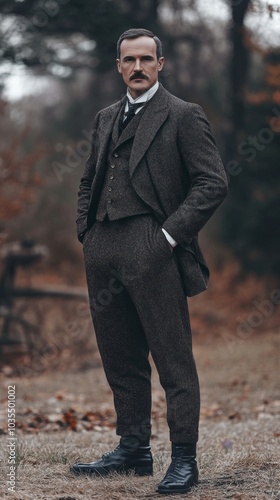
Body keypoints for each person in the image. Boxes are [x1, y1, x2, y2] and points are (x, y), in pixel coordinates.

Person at [71, 28, 228, 495]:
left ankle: (183, 459)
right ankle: (134, 449)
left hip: (154, 247)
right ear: (118, 66)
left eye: (146, 59)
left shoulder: (183, 115)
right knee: (120, 357)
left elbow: (212, 183)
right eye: (128, 60)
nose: (137, 67)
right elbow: (87, 181)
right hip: (103, 249)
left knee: (173, 359)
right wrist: (86, 231)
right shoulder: (104, 117)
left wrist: (165, 238)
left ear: (161, 64)